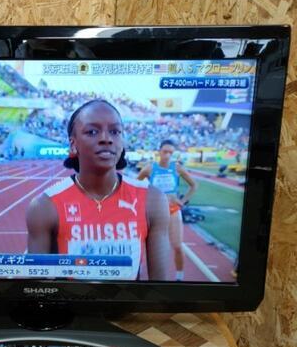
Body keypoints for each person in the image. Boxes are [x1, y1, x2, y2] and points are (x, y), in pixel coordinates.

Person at [26, 100, 170, 281]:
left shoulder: (152, 200)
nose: (106, 139)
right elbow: (38, 287)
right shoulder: (45, 206)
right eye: (92, 132)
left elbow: (160, 286)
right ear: (73, 145)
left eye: (115, 131)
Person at [137, 140, 197, 281]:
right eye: (165, 152)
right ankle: (139, 271)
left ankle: (179, 277)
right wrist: (144, 201)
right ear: (159, 151)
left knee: (177, 246)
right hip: (155, 213)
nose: (168, 155)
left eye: (171, 152)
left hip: (173, 210)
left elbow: (194, 185)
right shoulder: (149, 168)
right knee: (147, 247)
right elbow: (136, 186)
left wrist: (183, 201)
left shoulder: (177, 168)